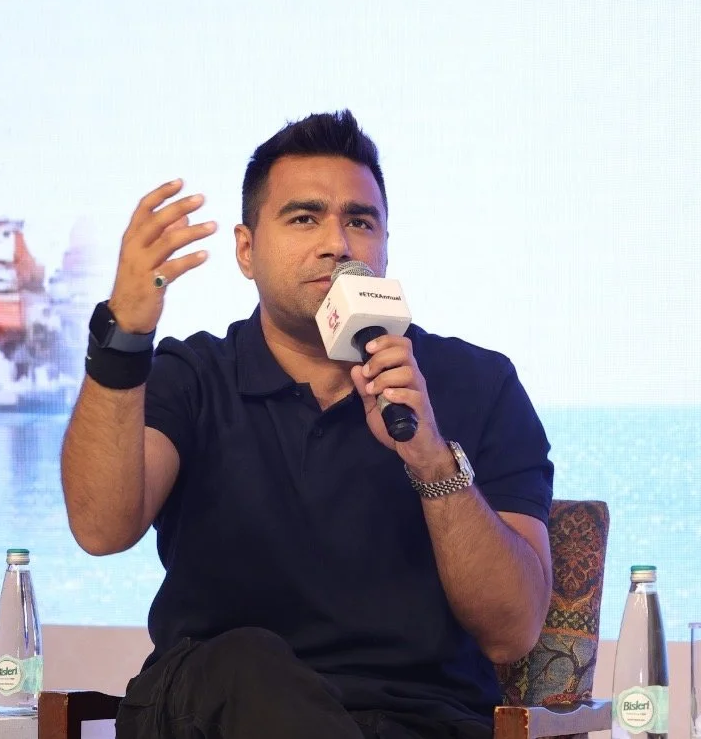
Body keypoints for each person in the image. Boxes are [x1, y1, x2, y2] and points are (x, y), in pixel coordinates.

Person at [61, 110, 556, 739]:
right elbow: (102, 528)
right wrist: (124, 336)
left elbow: (512, 633)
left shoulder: (476, 384)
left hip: (419, 720)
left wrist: (433, 461)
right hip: (210, 710)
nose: (338, 244)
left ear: (384, 245)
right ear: (246, 250)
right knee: (248, 665)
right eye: (304, 218)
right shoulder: (191, 374)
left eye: (360, 221)